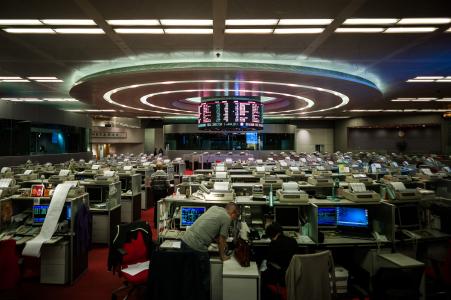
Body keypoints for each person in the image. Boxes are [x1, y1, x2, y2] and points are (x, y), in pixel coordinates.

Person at [181, 203, 240, 298]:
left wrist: (222, 243)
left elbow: (213, 230)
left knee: (189, 276)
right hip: (197, 247)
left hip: (184, 242)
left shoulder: (214, 208)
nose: (234, 219)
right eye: (235, 217)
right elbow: (221, 239)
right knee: (205, 279)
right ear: (233, 213)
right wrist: (223, 256)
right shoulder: (227, 218)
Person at [261, 223, 298, 300]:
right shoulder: (293, 241)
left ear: (271, 235)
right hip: (293, 274)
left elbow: (269, 261)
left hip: (280, 275)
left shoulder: (273, 244)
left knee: (262, 275)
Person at [150, 162, 170, 228]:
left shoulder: (153, 175)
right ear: (162, 167)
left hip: (155, 193)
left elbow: (151, 184)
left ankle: (156, 224)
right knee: (163, 207)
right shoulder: (165, 174)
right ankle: (162, 224)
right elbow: (168, 185)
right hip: (163, 193)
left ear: (156, 167)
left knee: (156, 207)